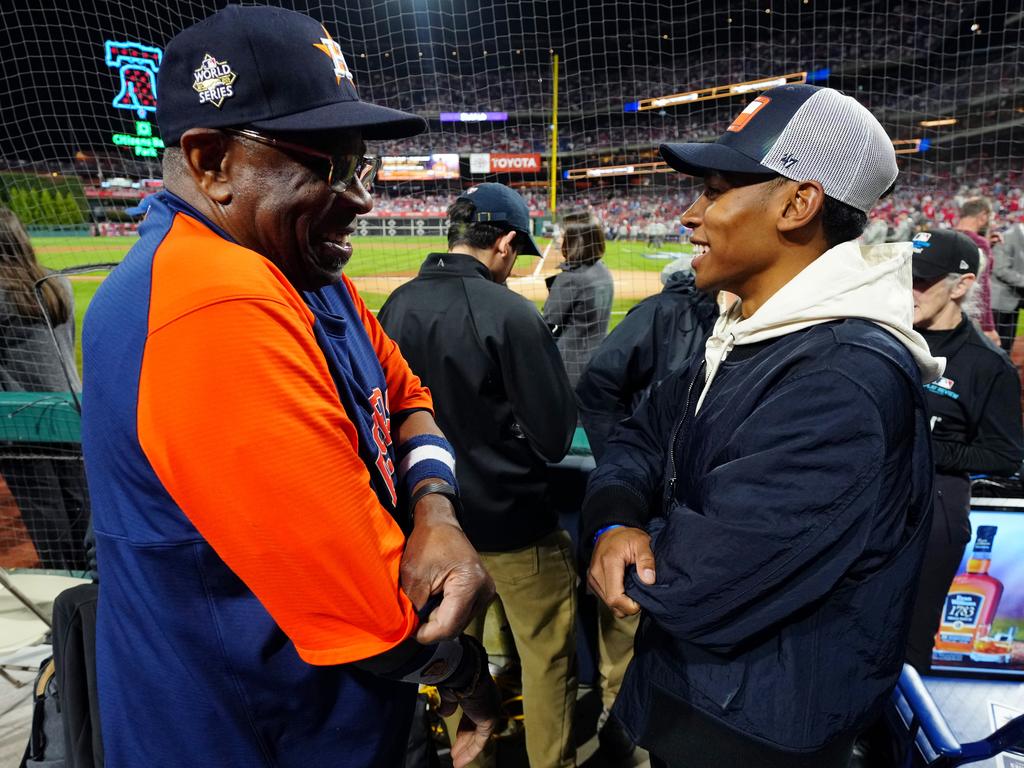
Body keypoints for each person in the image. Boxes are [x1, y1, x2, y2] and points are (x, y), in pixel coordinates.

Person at [80, 7, 497, 767]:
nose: (362, 198)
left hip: (314, 720)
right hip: (247, 737)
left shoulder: (298, 268)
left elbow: (408, 396)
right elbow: (371, 617)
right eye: (328, 165)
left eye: (360, 167)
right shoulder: (216, 300)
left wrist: (434, 508)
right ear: (211, 161)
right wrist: (474, 680)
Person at [583, 84, 941, 768]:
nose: (689, 215)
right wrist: (616, 518)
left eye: (715, 190)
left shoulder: (841, 378)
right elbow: (641, 434)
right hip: (706, 708)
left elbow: (691, 584)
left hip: (754, 739)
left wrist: (637, 534)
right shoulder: (751, 327)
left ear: (798, 204)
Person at [378, 183, 579, 768]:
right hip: (515, 528)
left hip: (428, 531)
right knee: (546, 661)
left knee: (454, 666)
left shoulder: (393, 306)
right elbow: (554, 436)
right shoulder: (511, 311)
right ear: (507, 243)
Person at [575, 255, 717, 760]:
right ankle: (626, 747)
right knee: (624, 645)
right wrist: (626, 462)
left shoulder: (762, 328)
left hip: (700, 533)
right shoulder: (664, 313)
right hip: (646, 519)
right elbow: (598, 385)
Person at [904, 229, 1024, 672]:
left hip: (932, 510)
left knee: (910, 644)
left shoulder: (986, 366)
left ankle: (892, 742)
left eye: (921, 280)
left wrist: (925, 449)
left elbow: (1004, 456)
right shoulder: (879, 335)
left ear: (961, 285)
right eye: (904, 276)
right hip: (861, 501)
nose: (907, 290)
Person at [0, 206, 89, 571]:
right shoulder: (55, 283)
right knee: (83, 507)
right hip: (72, 412)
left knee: (47, 519)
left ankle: (64, 596)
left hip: (23, 424)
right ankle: (93, 590)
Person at [576, 256, 718, 462]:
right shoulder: (658, 311)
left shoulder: (726, 319)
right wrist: (621, 456)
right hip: (648, 460)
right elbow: (598, 382)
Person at [543, 213, 614, 388]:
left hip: (569, 365)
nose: (558, 238)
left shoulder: (572, 278)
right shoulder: (602, 270)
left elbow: (548, 323)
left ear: (576, 241)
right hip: (597, 359)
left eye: (562, 234)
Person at [955, 197, 999, 343]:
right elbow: (983, 287)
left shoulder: (947, 236)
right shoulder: (979, 243)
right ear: (983, 216)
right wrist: (988, 327)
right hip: (969, 312)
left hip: (946, 310)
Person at [990, 219, 1024, 352]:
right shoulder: (1007, 237)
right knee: (995, 346)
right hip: (998, 303)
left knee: (1006, 346)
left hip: (1013, 301)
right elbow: (1000, 270)